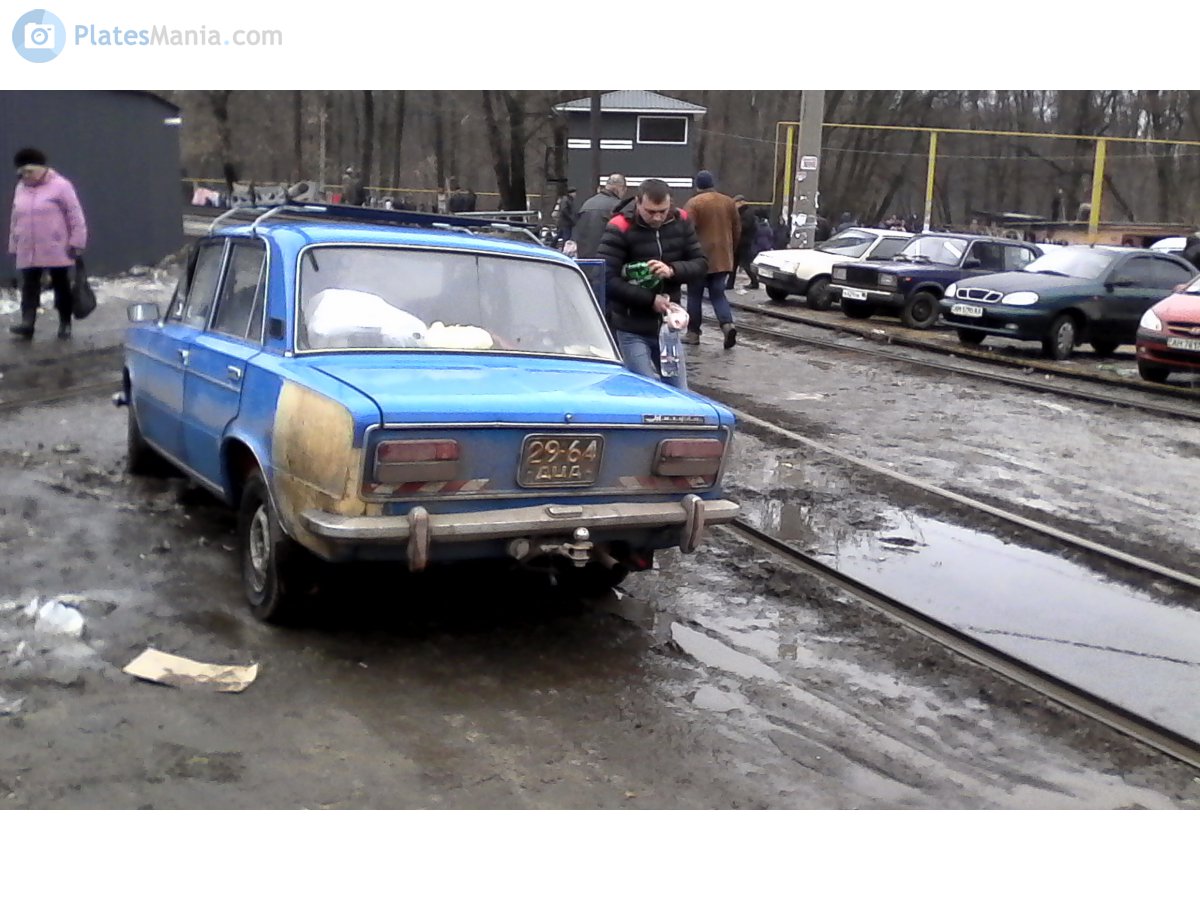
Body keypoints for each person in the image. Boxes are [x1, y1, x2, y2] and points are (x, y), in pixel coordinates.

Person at [596, 178, 707, 389]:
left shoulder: (681, 221)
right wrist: (650, 300)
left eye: (662, 211)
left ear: (670, 204)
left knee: (679, 392)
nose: (656, 217)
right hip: (631, 327)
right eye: (650, 212)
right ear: (638, 203)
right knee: (645, 391)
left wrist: (672, 270)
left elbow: (700, 263)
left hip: (667, 329)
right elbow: (606, 279)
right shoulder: (620, 227)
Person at [8, 147, 88, 340]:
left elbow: (75, 214)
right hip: (28, 245)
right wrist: (14, 243)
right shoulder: (21, 187)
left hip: (56, 245)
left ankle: (65, 323)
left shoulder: (61, 185)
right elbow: (15, 217)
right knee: (29, 285)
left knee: (61, 285)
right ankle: (28, 323)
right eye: (22, 172)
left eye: (30, 171)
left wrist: (77, 240)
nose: (26, 175)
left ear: (42, 168)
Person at [682, 170, 740, 349]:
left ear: (697, 185)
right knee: (718, 293)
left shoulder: (694, 204)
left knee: (694, 295)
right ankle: (727, 324)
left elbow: (686, 230)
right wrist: (731, 250)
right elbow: (737, 229)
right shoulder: (728, 202)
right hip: (723, 257)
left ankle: (693, 334)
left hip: (699, 258)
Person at [572, 174, 627, 260]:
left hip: (584, 260)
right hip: (606, 259)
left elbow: (577, 231)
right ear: (621, 189)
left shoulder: (587, 204)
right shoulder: (618, 207)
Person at [727, 194, 760, 292]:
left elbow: (744, 226)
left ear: (741, 202)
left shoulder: (747, 213)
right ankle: (730, 284)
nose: (734, 205)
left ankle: (755, 282)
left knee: (745, 264)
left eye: (736, 203)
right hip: (740, 242)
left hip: (744, 243)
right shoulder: (742, 212)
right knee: (734, 264)